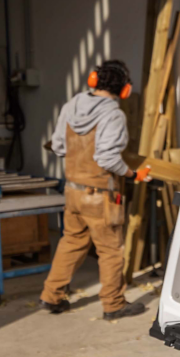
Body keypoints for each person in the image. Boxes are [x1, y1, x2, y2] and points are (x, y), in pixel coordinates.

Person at [39, 60, 151, 321]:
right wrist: (133, 174)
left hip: (73, 191)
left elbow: (58, 146)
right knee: (111, 250)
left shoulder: (71, 105)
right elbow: (107, 159)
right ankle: (113, 304)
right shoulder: (113, 115)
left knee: (70, 243)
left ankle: (51, 296)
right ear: (124, 90)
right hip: (100, 196)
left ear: (93, 80)